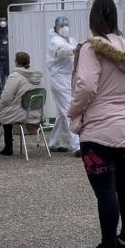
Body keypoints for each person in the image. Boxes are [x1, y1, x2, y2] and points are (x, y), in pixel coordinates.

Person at [68, 0, 125, 248]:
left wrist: (74, 111)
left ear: (92, 19)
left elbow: (87, 86)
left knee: (105, 189)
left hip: (99, 129)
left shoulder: (92, 48)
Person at [0, 52, 44, 158]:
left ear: (16, 62)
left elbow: (6, 97)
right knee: (6, 114)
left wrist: (0, 105)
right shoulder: (36, 76)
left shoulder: (15, 76)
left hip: (21, 113)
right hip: (35, 113)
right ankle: (8, 147)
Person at [46, 15, 81, 155]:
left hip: (68, 79)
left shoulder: (70, 40)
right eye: (62, 25)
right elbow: (62, 51)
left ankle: (54, 142)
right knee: (68, 111)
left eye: (66, 24)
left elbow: (73, 49)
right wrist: (74, 49)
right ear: (56, 27)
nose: (65, 27)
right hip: (59, 80)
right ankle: (77, 145)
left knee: (63, 113)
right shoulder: (55, 40)